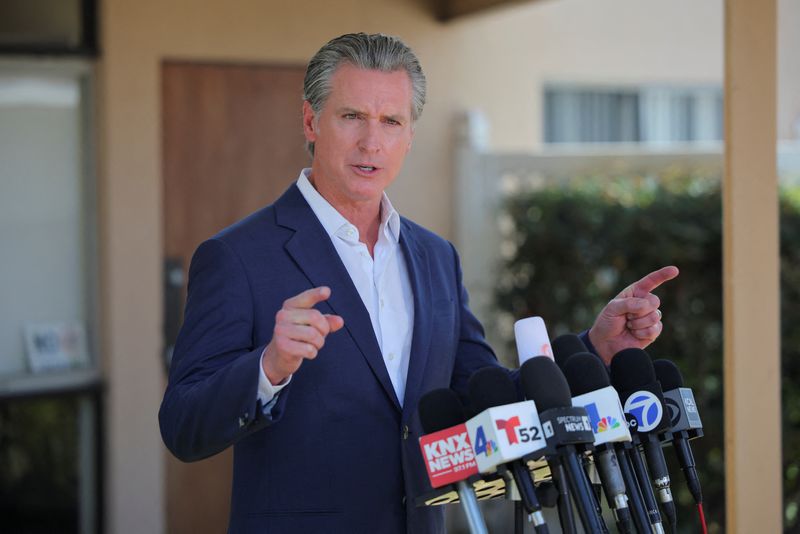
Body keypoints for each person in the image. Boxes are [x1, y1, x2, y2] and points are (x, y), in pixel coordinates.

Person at [159, 32, 678, 534]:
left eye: (391, 121)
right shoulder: (238, 256)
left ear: (410, 136)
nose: (371, 141)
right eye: (352, 117)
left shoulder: (434, 257)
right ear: (310, 120)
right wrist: (268, 368)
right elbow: (183, 425)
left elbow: (486, 395)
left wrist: (596, 348)